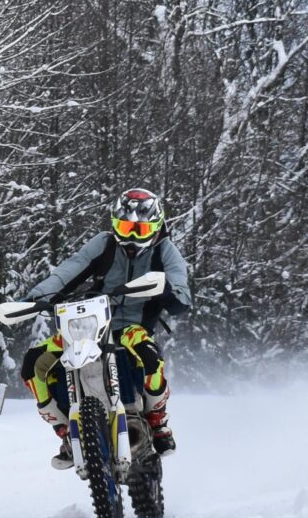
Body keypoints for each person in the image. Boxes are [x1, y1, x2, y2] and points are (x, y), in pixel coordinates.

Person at [13, 188, 191, 470]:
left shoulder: (165, 252)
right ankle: (65, 432)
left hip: (133, 328)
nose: (131, 237)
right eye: (124, 227)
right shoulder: (104, 245)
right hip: (89, 326)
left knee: (151, 359)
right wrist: (36, 298)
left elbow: (182, 295)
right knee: (33, 363)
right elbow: (68, 272)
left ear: (155, 226)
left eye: (140, 228)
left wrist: (169, 290)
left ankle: (158, 422)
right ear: (113, 224)